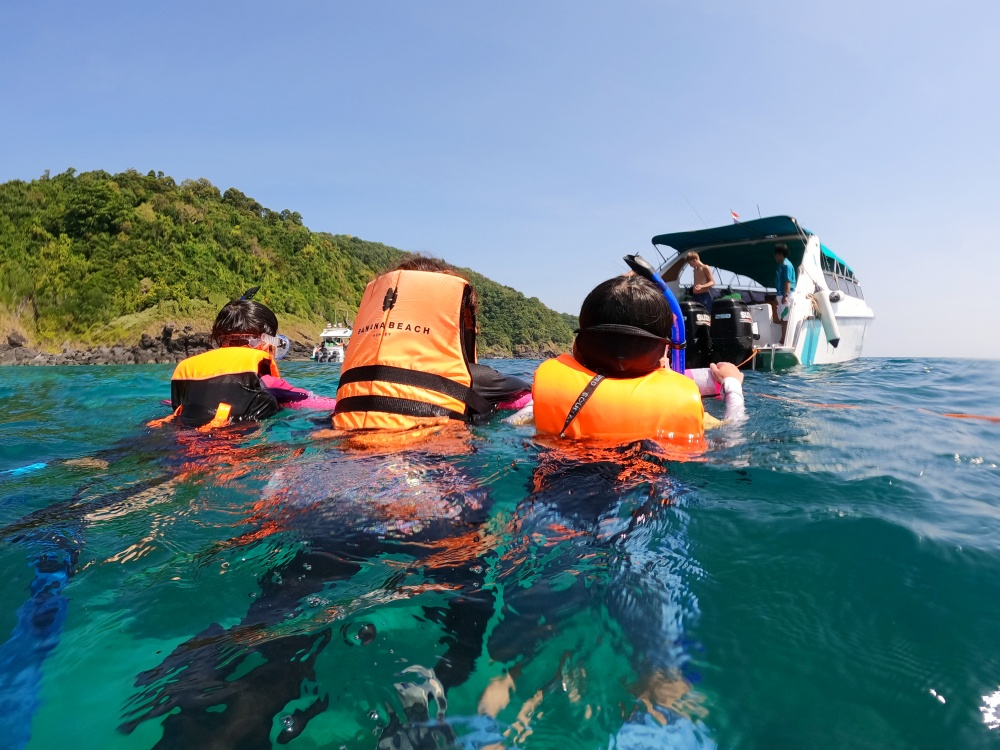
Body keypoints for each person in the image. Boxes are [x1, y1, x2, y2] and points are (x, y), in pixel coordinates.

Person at [529, 273, 745, 447]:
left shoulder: (546, 399)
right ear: (663, 352)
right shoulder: (680, 402)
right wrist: (732, 384)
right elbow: (732, 433)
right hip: (648, 489)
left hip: (556, 481)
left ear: (577, 347)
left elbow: (518, 421)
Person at [333, 256, 530, 433]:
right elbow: (526, 389)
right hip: (429, 457)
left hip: (338, 444)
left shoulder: (360, 377)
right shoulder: (473, 376)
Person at [166, 295, 325, 428]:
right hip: (235, 447)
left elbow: (175, 405)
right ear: (267, 342)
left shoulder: (189, 373)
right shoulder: (265, 381)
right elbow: (314, 402)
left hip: (181, 442)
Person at [773, 242, 796, 340]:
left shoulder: (787, 265)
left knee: (785, 318)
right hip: (781, 294)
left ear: (779, 254)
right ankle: (783, 338)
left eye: (775, 254)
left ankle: (784, 340)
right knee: (782, 318)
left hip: (786, 294)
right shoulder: (781, 265)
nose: (774, 256)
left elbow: (788, 281)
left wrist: (785, 295)